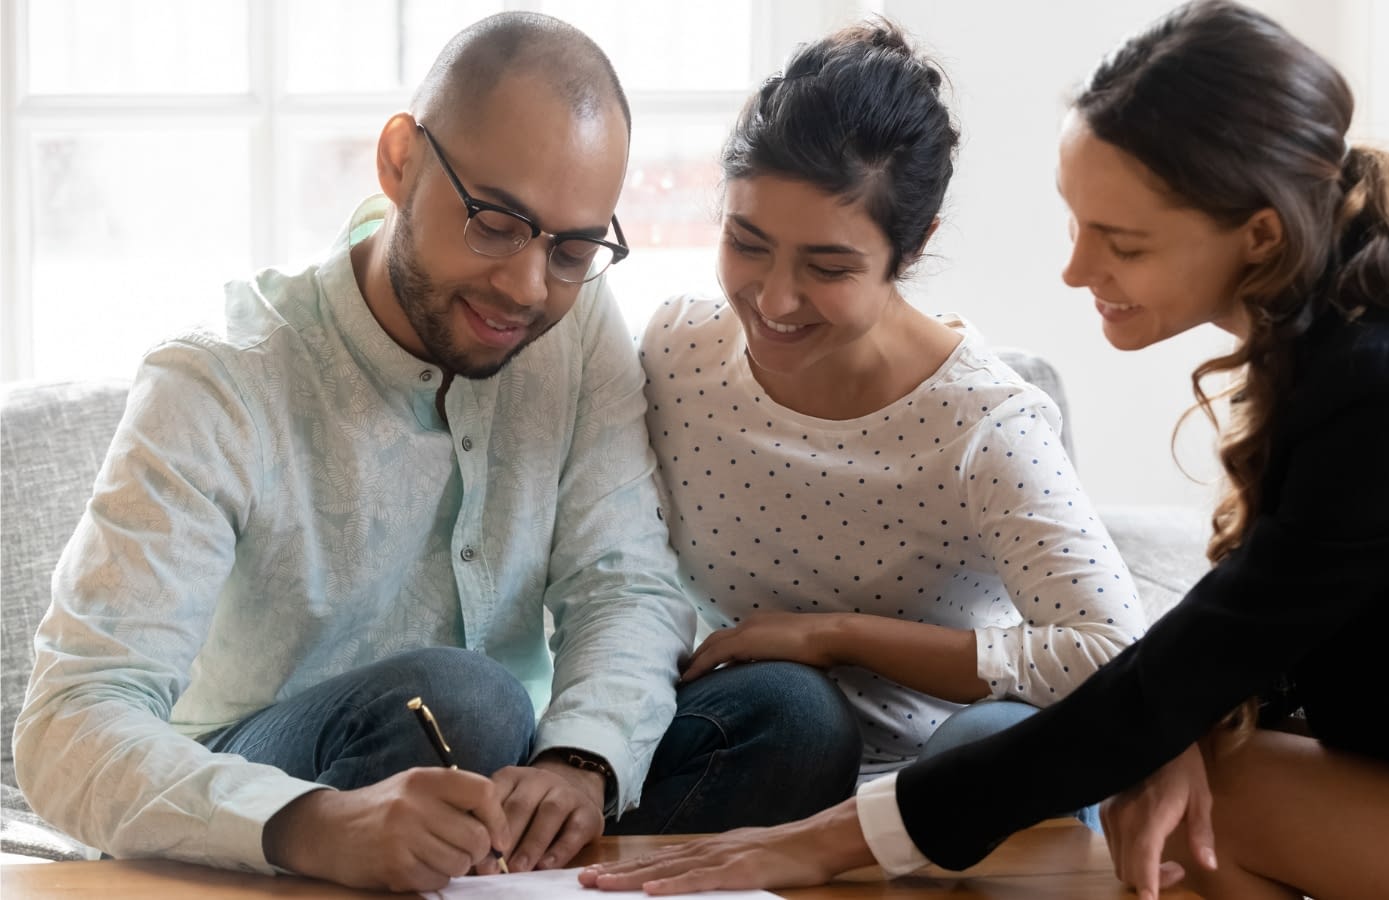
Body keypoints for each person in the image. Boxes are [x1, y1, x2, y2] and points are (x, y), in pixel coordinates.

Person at [580, 2, 1389, 898]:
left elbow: (1172, 667)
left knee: (1203, 799)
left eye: (1122, 241)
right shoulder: (1352, 345)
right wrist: (1178, 726)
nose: (1074, 269)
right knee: (1184, 782)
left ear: (1254, 235)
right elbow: (1226, 659)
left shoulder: (1386, 386)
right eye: (1076, 223)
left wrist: (828, 843)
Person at [15, 12, 855, 894]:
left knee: (795, 719)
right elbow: (69, 725)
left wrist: (582, 761)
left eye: (572, 250)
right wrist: (314, 825)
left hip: (504, 764)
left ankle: (534, 876)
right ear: (400, 161)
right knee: (464, 704)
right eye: (495, 221)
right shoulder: (219, 383)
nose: (528, 288)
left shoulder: (573, 333)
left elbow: (622, 582)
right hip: (288, 783)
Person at [635, 21, 1142, 794]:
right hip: (751, 745)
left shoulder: (987, 424)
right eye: (747, 242)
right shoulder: (676, 353)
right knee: (796, 709)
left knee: (995, 742)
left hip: (936, 783)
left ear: (911, 249)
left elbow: (1111, 652)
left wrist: (834, 636)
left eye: (828, 266)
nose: (772, 298)